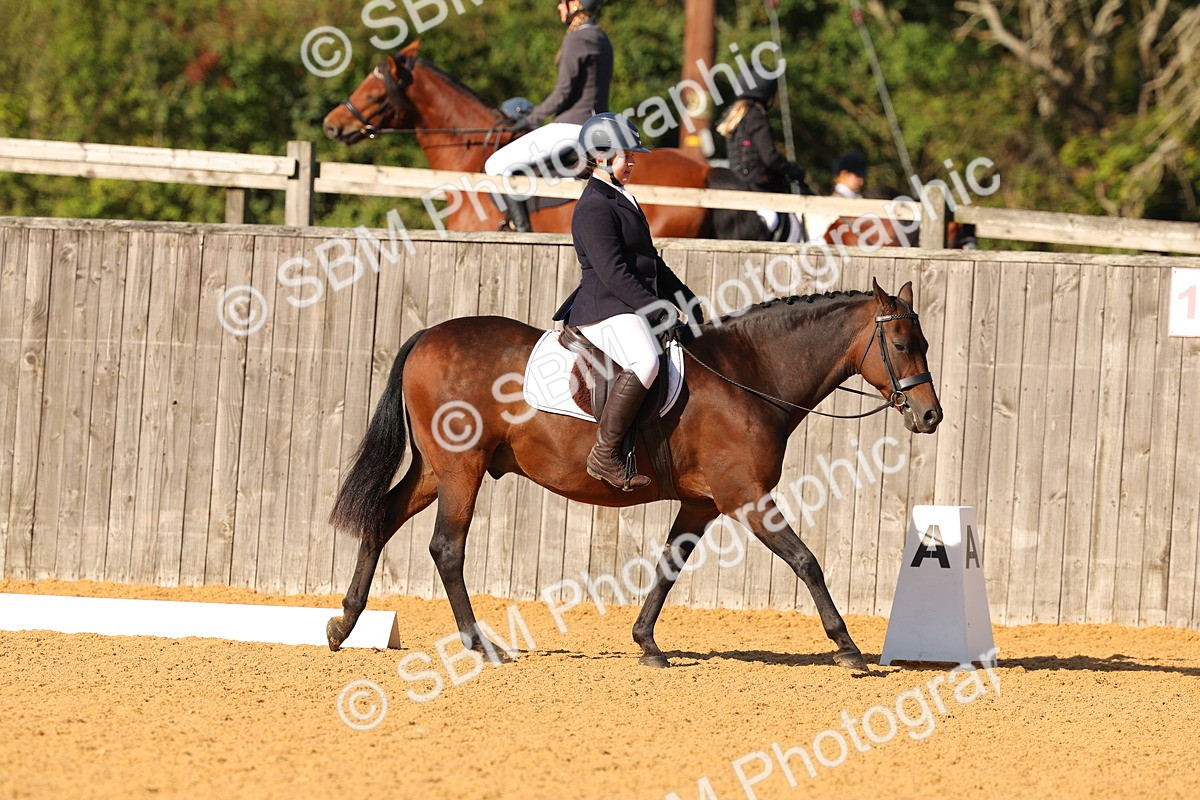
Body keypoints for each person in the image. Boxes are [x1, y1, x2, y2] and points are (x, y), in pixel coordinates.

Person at [552, 113, 702, 491]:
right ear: (601, 156)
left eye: (634, 156)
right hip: (604, 308)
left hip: (625, 303)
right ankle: (604, 453)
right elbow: (614, 273)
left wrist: (685, 298)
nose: (633, 162)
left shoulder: (621, 197)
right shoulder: (592, 207)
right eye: (626, 155)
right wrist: (657, 310)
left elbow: (651, 262)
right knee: (646, 361)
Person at [484, 0, 614, 232]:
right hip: (596, 126)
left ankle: (522, 233)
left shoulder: (577, 38)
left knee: (495, 164)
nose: (558, 7)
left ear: (576, 4)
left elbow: (562, 93)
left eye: (562, 2)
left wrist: (531, 119)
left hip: (572, 127)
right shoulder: (601, 37)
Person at [716, 69, 809, 241]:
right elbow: (770, 157)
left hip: (736, 183)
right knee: (775, 220)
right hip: (758, 185)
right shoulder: (757, 117)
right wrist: (793, 170)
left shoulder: (736, 118)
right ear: (767, 93)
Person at [804, 151, 869, 243]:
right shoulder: (833, 203)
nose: (861, 181)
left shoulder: (857, 199)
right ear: (844, 175)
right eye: (857, 176)